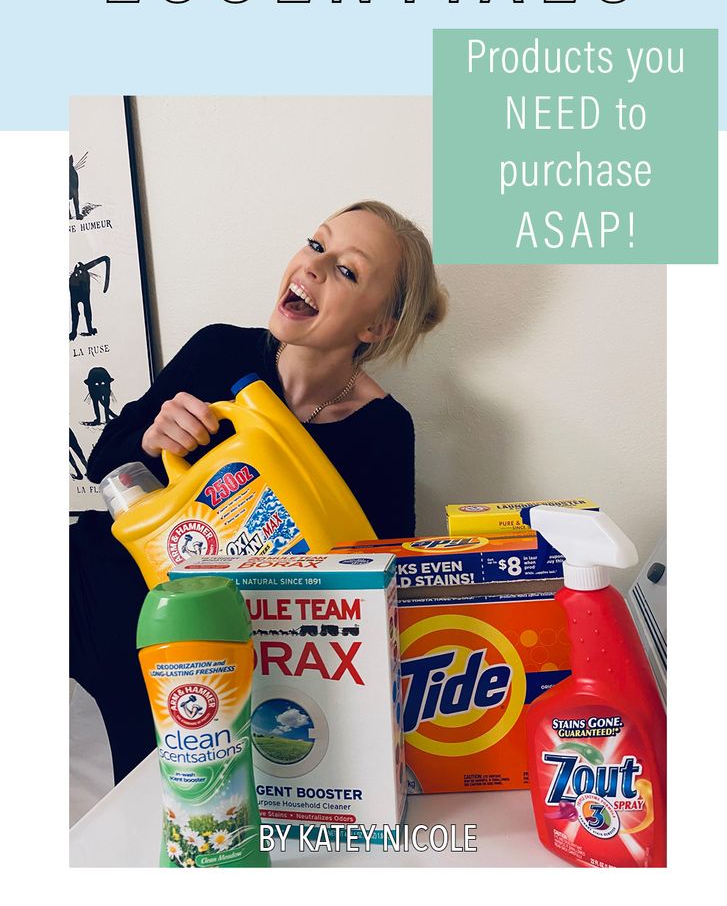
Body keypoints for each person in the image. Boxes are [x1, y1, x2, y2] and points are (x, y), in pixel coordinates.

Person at [70, 200, 447, 782]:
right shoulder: (218, 349)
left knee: (161, 785)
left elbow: (377, 599)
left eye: (348, 270)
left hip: (209, 637)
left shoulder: (384, 431)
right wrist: (152, 436)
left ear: (374, 327)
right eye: (317, 245)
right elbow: (104, 463)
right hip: (105, 578)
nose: (314, 267)